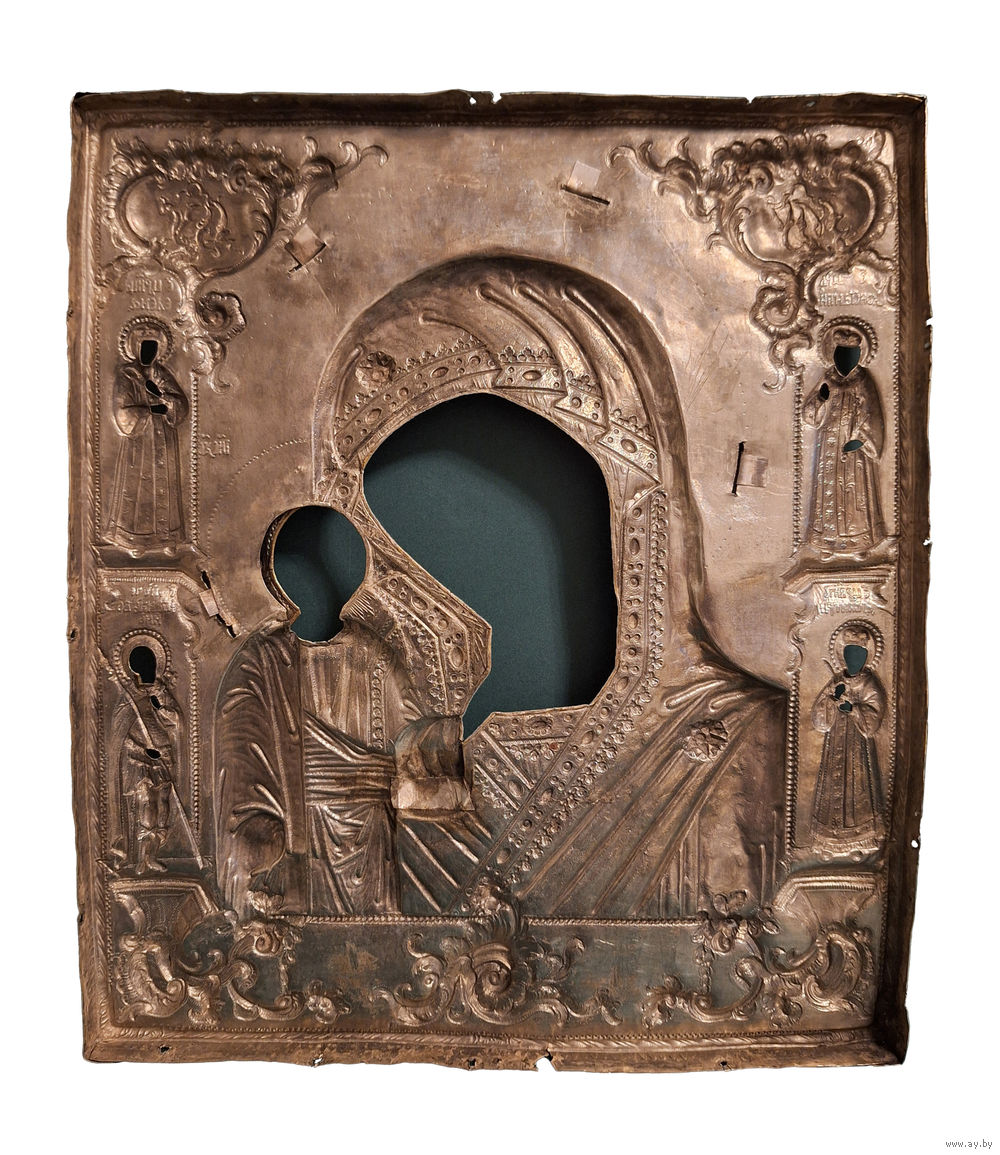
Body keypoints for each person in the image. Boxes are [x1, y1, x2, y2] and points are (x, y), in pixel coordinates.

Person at [802, 319, 886, 556]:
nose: (845, 359)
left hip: (854, 448)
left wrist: (861, 439)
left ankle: (861, 544)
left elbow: (872, 414)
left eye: (850, 354)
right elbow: (809, 416)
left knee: (855, 493)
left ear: (858, 356)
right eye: (841, 353)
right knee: (828, 493)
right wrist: (820, 399)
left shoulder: (863, 381)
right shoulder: (827, 378)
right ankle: (826, 543)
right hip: (829, 448)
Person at [106, 318, 188, 555]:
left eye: (153, 348)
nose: (149, 352)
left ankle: (168, 538)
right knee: (139, 488)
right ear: (135, 349)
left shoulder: (160, 374)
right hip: (140, 443)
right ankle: (135, 542)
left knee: (166, 485)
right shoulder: (127, 375)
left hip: (163, 439)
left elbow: (180, 403)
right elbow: (123, 413)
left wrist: (164, 397)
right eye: (145, 347)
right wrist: (152, 409)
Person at [811, 622, 887, 853]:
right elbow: (820, 717)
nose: (854, 659)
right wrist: (831, 698)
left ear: (866, 657)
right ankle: (827, 839)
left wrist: (853, 708)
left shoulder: (869, 684)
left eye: (859, 655)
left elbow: (873, 716)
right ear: (843, 657)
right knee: (831, 785)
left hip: (857, 748)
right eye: (850, 654)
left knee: (857, 786)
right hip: (835, 743)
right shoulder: (837, 681)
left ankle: (862, 839)